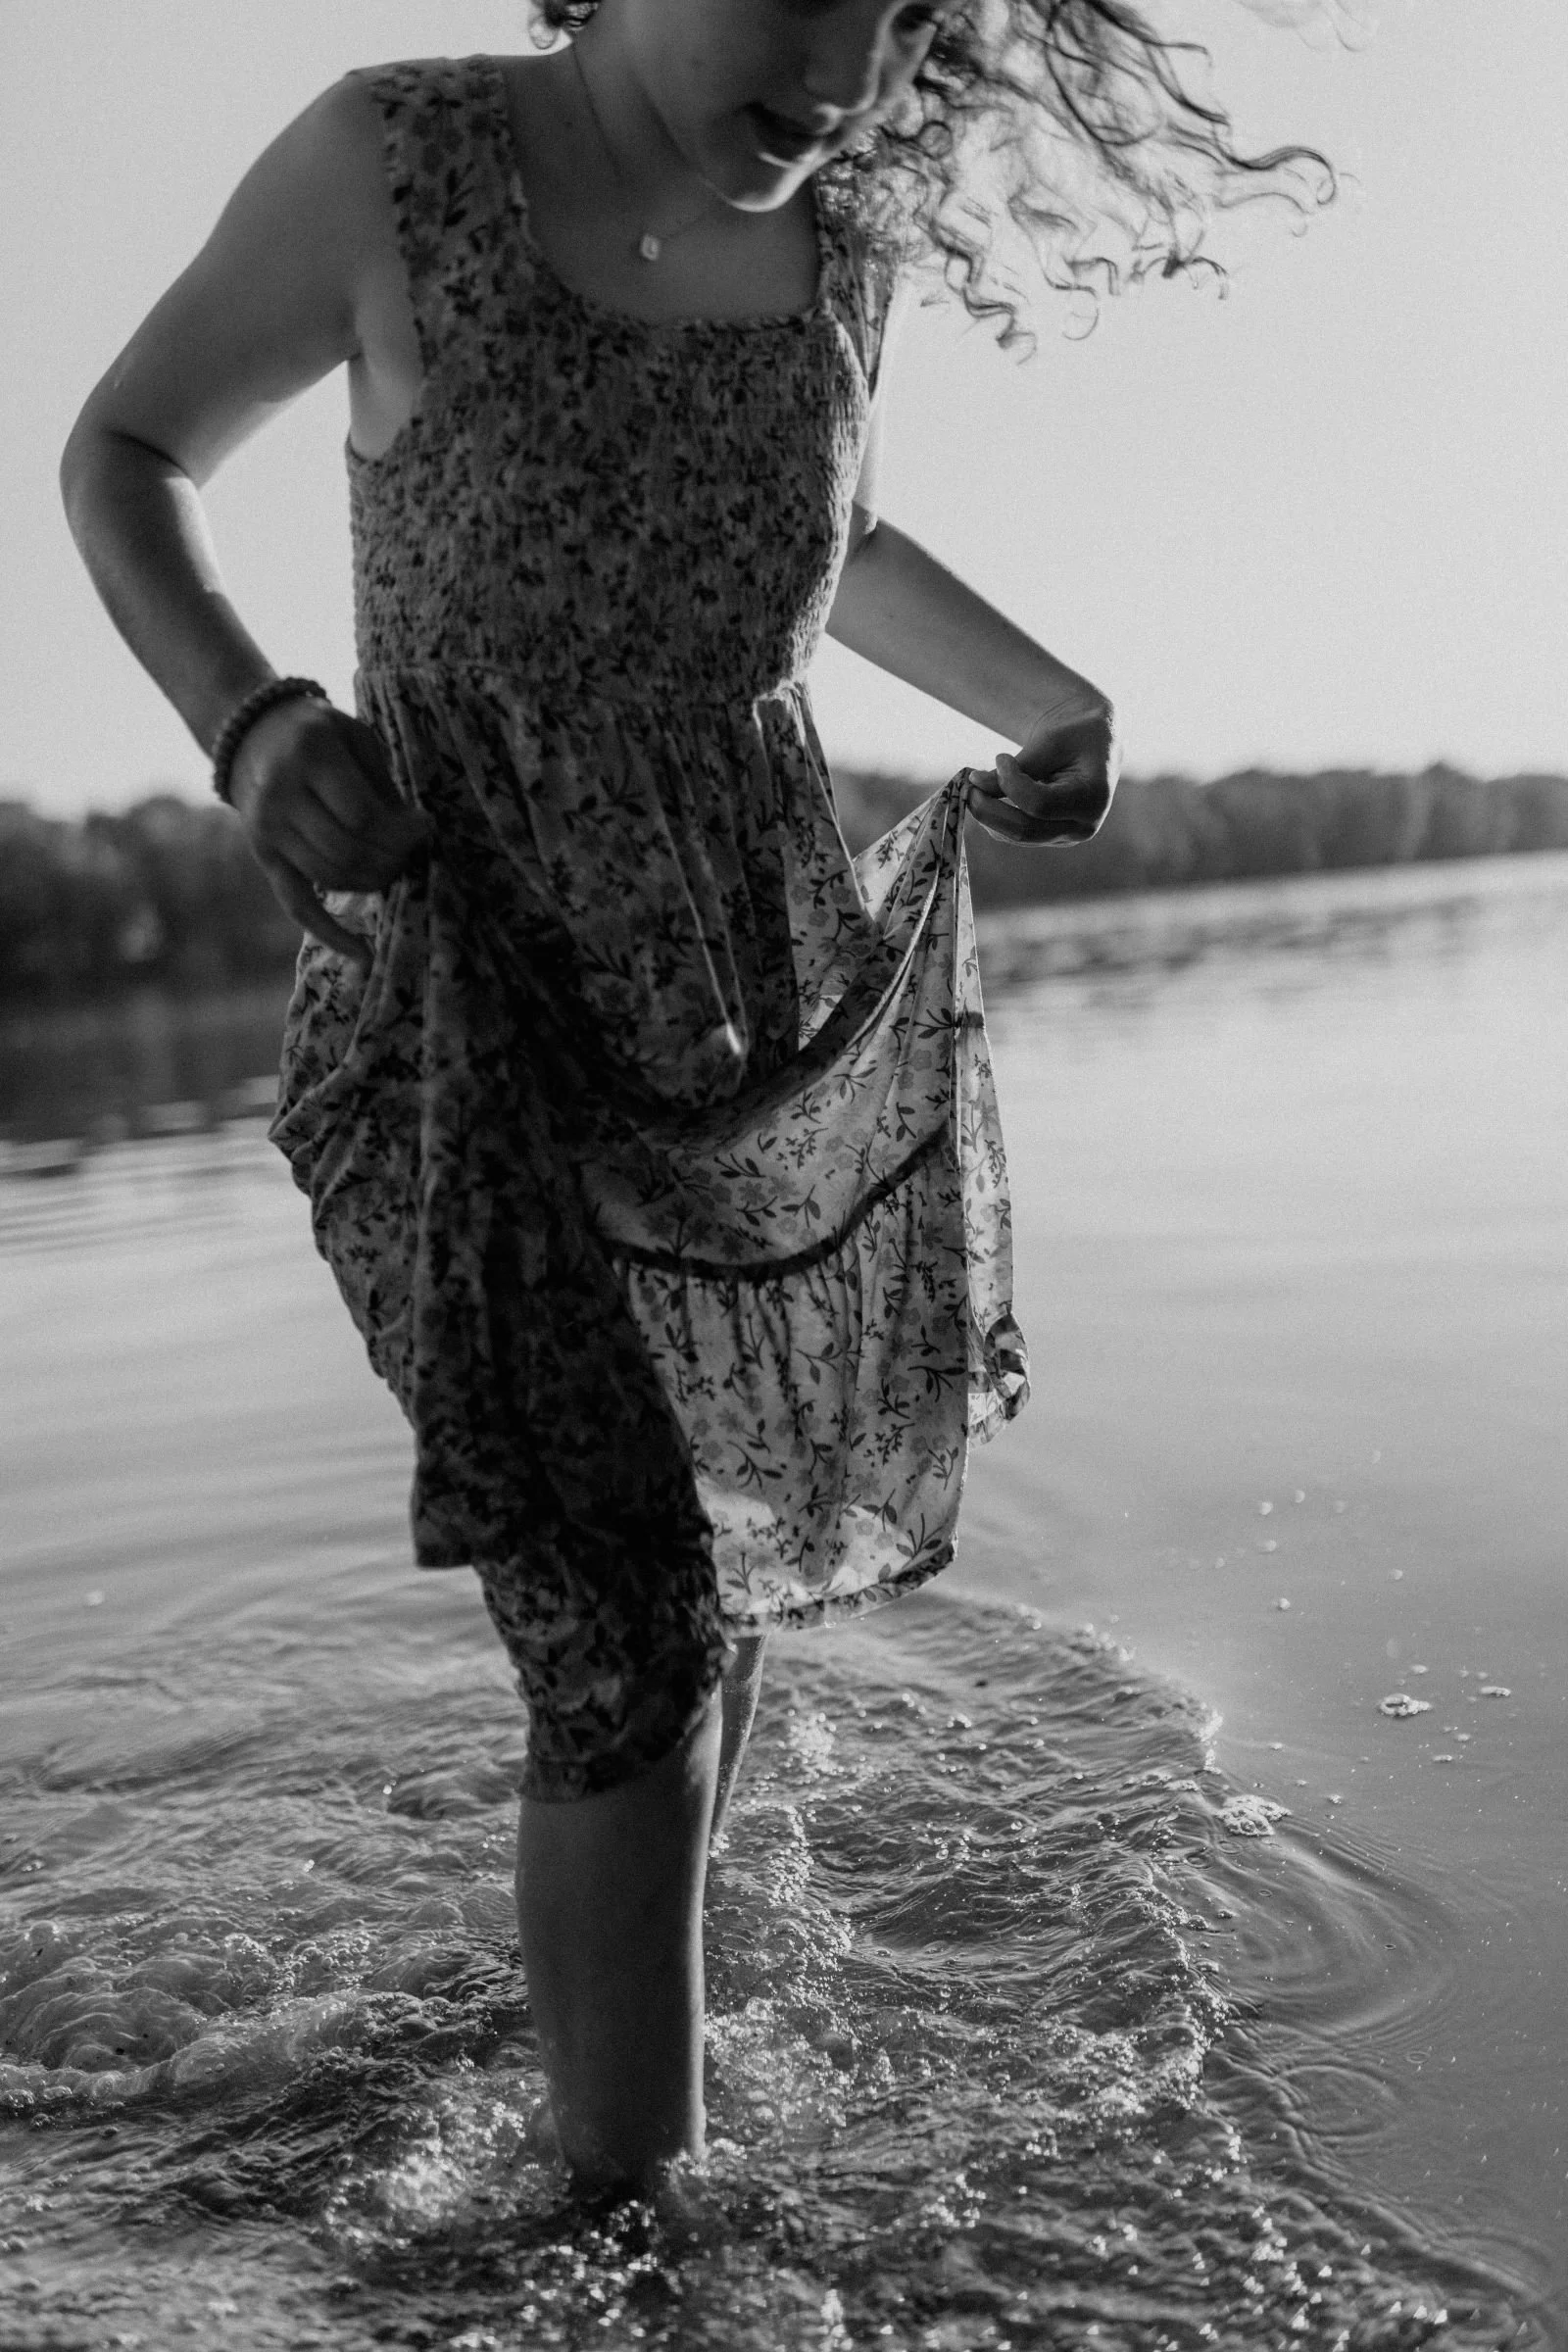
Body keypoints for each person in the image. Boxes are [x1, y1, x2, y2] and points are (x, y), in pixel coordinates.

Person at [61, 0, 1326, 2198]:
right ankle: (632, 2225)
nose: (842, 67)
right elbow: (127, 451)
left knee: (685, 1617)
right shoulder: (399, 165)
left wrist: (1045, 697)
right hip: (459, 1011)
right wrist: (250, 724)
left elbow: (827, 537)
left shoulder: (854, 236)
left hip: (741, 1022)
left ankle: (601, 2066)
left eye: (902, 10)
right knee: (628, 1640)